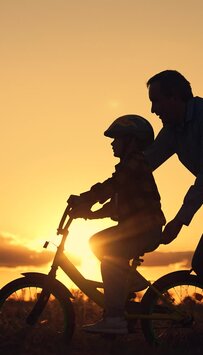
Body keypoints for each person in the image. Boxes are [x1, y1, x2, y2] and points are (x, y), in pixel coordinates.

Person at [67, 114, 165, 334]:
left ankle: (114, 318)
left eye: (117, 138)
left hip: (144, 228)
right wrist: (87, 214)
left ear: (131, 140)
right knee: (98, 242)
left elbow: (111, 186)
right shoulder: (129, 167)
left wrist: (84, 198)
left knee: (108, 251)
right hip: (137, 228)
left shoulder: (135, 163)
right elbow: (114, 205)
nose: (112, 143)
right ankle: (131, 282)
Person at [145, 70, 203, 244]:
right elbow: (143, 165)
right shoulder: (173, 130)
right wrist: (95, 195)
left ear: (175, 97)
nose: (153, 110)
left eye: (156, 101)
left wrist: (179, 221)